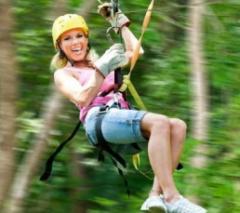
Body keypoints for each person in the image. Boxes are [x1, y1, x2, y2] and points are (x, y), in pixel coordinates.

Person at [50, 2, 207, 213]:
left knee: (177, 126)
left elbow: (136, 51)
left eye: (79, 36)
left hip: (120, 119)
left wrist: (118, 22)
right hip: (99, 120)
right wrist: (102, 68)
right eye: (67, 39)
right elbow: (82, 97)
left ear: (86, 39)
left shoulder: (102, 60)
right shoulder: (64, 74)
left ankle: (155, 196)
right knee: (160, 123)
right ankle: (172, 197)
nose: (75, 42)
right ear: (60, 47)